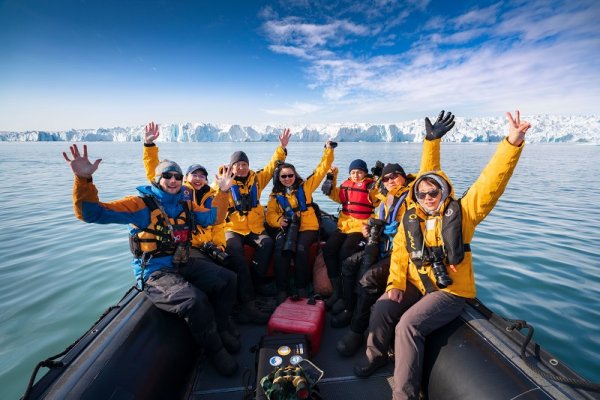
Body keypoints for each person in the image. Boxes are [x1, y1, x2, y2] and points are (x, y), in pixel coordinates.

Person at [354, 111, 532, 400]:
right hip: (415, 283)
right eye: (422, 193)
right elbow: (400, 252)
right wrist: (395, 285)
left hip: (449, 290)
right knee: (382, 309)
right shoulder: (412, 215)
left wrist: (511, 144)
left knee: (408, 326)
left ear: (444, 190)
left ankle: (404, 395)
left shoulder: (463, 213)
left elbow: (492, 182)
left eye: (433, 192)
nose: (427, 197)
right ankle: (375, 357)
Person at [63, 144, 240, 376]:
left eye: (177, 176)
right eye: (167, 176)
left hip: (182, 262)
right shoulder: (139, 205)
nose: (173, 180)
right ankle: (215, 349)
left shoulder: (185, 203)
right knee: (194, 301)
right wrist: (83, 180)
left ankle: (223, 327)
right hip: (155, 272)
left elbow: (214, 218)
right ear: (157, 179)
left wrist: (224, 192)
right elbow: (91, 213)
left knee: (228, 279)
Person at [335, 112, 456, 355]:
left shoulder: (414, 194)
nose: (390, 180)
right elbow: (376, 209)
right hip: (380, 247)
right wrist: (370, 225)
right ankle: (348, 308)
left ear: (403, 177)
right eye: (387, 178)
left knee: (368, 279)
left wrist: (431, 143)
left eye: (394, 176)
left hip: (402, 254)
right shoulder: (386, 198)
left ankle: (357, 331)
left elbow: (428, 174)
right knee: (348, 264)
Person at [141, 122, 242, 341]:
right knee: (210, 276)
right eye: (193, 175)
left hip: (198, 248)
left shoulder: (207, 196)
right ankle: (216, 331)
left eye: (202, 176)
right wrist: (149, 145)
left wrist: (219, 245)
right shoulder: (177, 192)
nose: (197, 179)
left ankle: (226, 320)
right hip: (189, 250)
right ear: (186, 178)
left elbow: (216, 220)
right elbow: (157, 175)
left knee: (230, 267)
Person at [217, 128, 292, 323]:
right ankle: (248, 302)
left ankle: (256, 283)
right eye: (238, 164)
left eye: (244, 164)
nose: (241, 168)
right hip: (232, 228)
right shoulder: (222, 182)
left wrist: (282, 147)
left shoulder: (256, 179)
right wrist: (222, 190)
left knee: (267, 243)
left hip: (255, 228)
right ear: (231, 167)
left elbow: (272, 166)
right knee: (234, 251)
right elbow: (213, 203)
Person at [266, 141, 336, 304]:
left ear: (295, 175)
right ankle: (282, 289)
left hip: (308, 227)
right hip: (288, 227)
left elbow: (321, 170)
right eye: (284, 176)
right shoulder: (274, 196)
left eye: (290, 175)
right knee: (280, 249)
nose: (288, 178)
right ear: (279, 178)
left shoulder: (306, 187)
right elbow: (270, 214)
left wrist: (328, 151)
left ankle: (301, 287)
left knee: (301, 248)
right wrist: (278, 221)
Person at [322, 158, 380, 313]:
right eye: (353, 172)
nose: (356, 175)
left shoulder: (370, 187)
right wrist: (331, 177)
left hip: (360, 227)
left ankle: (347, 296)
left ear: (365, 173)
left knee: (345, 253)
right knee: (328, 249)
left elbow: (379, 200)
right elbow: (334, 194)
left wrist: (378, 180)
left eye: (359, 172)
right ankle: (337, 291)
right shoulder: (346, 186)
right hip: (344, 225)